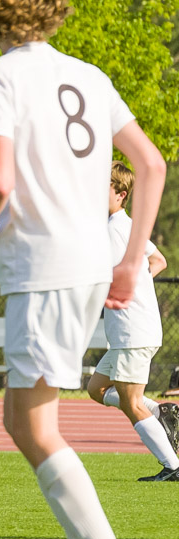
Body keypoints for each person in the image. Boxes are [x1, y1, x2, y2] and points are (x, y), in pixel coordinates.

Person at [0, 0, 164, 539]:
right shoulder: (88, 75)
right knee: (18, 420)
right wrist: (132, 259)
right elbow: (151, 163)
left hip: (43, 267)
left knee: (40, 427)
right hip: (83, 265)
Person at [86, 161, 179, 481]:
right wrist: (141, 282)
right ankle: (161, 412)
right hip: (131, 330)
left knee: (130, 402)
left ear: (120, 194)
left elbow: (107, 279)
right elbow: (158, 260)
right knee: (96, 389)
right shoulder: (128, 226)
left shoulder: (113, 230)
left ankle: (173, 466)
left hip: (132, 332)